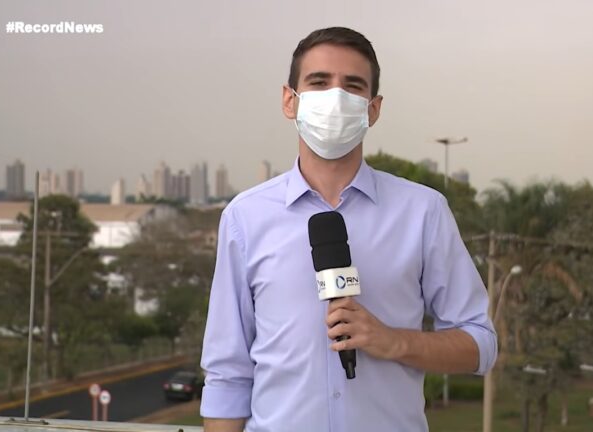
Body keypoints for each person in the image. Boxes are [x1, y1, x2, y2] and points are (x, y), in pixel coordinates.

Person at [200, 27, 497, 432]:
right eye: (319, 82)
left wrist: (395, 341)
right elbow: (227, 374)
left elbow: (480, 344)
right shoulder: (244, 218)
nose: (335, 97)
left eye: (352, 86)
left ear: (372, 109)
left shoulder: (423, 211)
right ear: (291, 101)